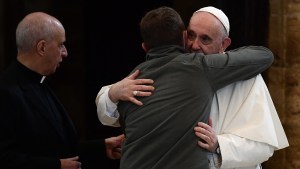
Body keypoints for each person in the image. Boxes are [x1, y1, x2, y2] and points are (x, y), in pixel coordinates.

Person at [95, 6, 288, 169]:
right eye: (192, 36)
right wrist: (113, 93)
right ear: (183, 35)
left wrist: (219, 145)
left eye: (205, 39)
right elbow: (109, 113)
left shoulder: (248, 79)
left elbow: (264, 146)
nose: (194, 45)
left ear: (224, 44)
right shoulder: (169, 67)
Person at [0, 12, 124, 169]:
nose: (65, 53)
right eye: (60, 45)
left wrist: (101, 148)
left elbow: (53, 145)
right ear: (42, 47)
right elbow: (5, 159)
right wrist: (56, 166)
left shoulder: (40, 83)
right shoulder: (5, 92)